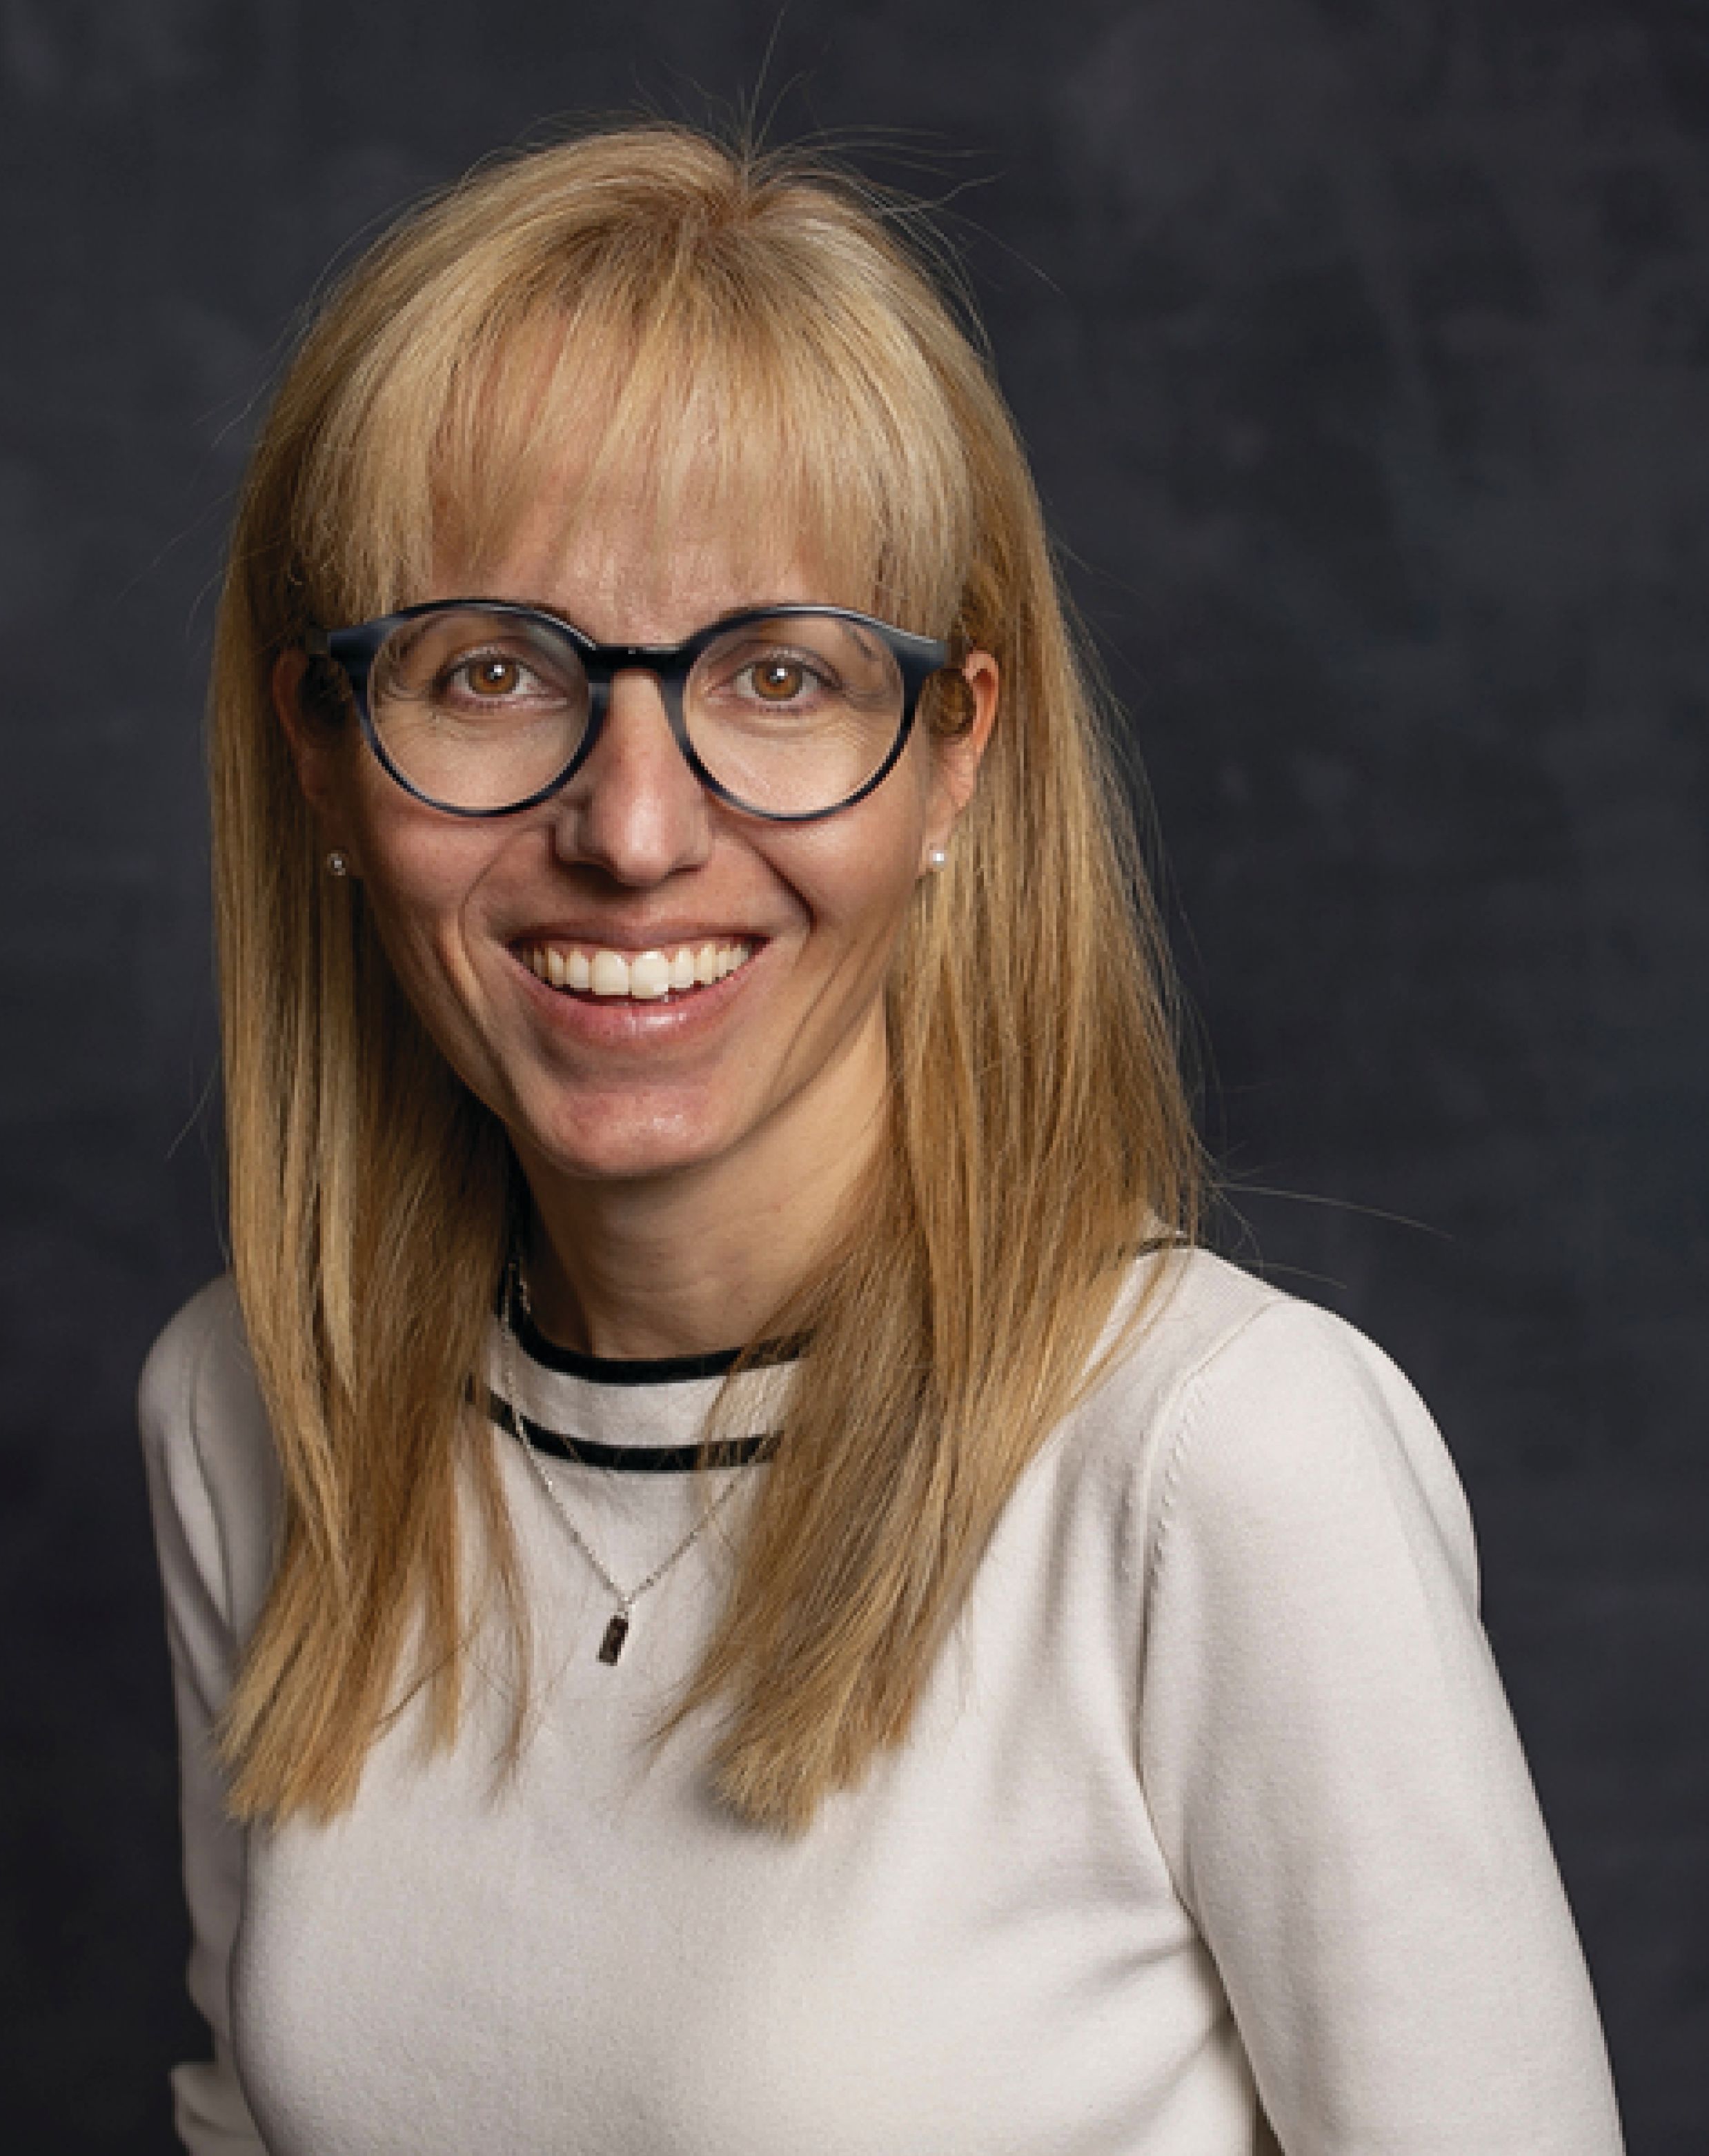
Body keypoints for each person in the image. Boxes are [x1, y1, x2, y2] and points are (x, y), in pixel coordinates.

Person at [137, 123, 1623, 2155]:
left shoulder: (1221, 1467)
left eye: (778, 676)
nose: (636, 832)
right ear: (325, 755)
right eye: (489, 670)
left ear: (955, 762)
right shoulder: (247, 1405)